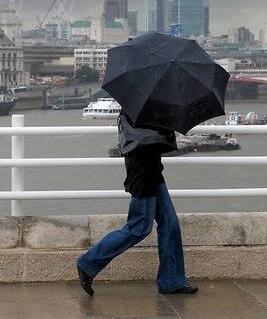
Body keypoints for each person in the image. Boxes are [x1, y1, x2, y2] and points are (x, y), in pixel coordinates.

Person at [76, 116, 198, 296]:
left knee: (170, 223)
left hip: (153, 170)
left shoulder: (149, 104)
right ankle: (88, 262)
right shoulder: (141, 108)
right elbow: (148, 139)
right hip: (142, 171)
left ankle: (171, 280)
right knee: (139, 226)